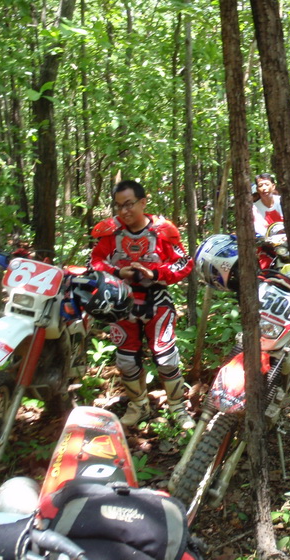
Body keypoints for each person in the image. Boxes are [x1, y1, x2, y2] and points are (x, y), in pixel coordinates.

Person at [90, 179, 195, 430]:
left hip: (156, 300)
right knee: (126, 360)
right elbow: (94, 261)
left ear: (143, 202)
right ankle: (138, 406)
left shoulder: (163, 231)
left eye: (129, 204)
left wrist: (155, 273)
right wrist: (117, 271)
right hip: (121, 302)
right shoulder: (110, 232)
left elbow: (183, 263)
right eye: (119, 206)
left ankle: (177, 407)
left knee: (167, 358)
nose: (124, 211)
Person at [252, 173, 284, 237]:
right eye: (260, 185)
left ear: (273, 186)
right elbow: (258, 229)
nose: (264, 188)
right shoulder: (254, 208)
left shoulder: (282, 201)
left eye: (267, 184)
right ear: (257, 189)